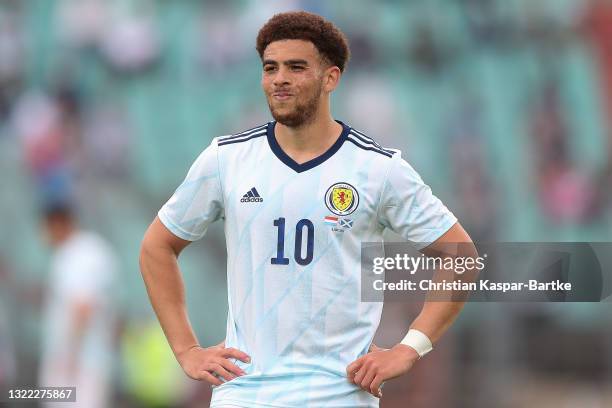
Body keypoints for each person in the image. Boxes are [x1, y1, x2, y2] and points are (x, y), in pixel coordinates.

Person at [140, 11, 476, 408]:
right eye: (270, 68)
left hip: (338, 395)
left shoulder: (378, 169)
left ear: (330, 77)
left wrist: (409, 347)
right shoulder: (226, 160)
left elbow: (461, 256)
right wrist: (187, 350)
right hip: (246, 394)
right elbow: (156, 247)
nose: (279, 78)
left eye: (296, 67)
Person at [39, 203, 118, 408]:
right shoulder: (91, 249)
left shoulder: (77, 254)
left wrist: (69, 355)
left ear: (57, 224)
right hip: (90, 358)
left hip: (77, 363)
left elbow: (82, 307)